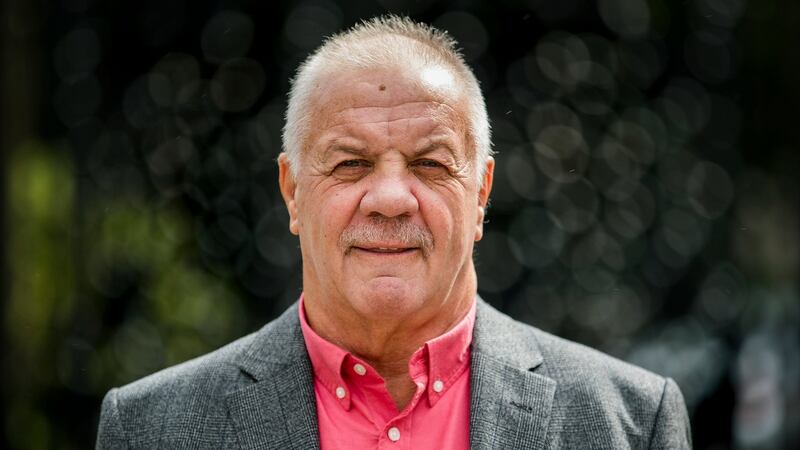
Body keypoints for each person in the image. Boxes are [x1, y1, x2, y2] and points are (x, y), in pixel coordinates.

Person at [96, 15, 691, 449]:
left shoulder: (631, 425)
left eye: (430, 164)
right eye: (350, 164)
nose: (388, 198)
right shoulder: (151, 429)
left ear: (481, 194)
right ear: (293, 191)